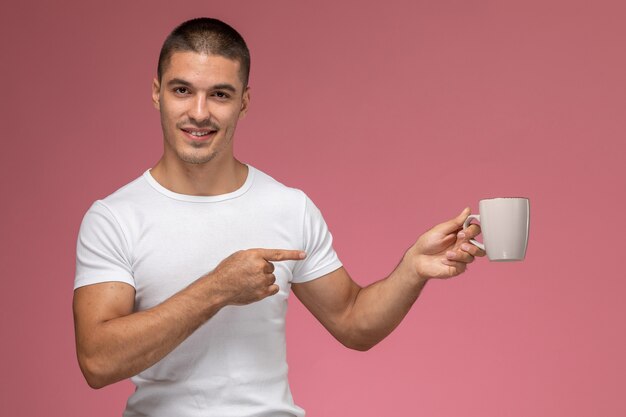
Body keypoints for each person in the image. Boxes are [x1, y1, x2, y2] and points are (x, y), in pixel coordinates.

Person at [73, 17, 484, 417]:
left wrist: (412, 268)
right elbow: (98, 361)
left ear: (244, 103)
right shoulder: (114, 218)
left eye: (219, 94)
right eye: (183, 90)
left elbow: (353, 322)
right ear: (157, 92)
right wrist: (217, 288)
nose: (199, 113)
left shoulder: (288, 207)